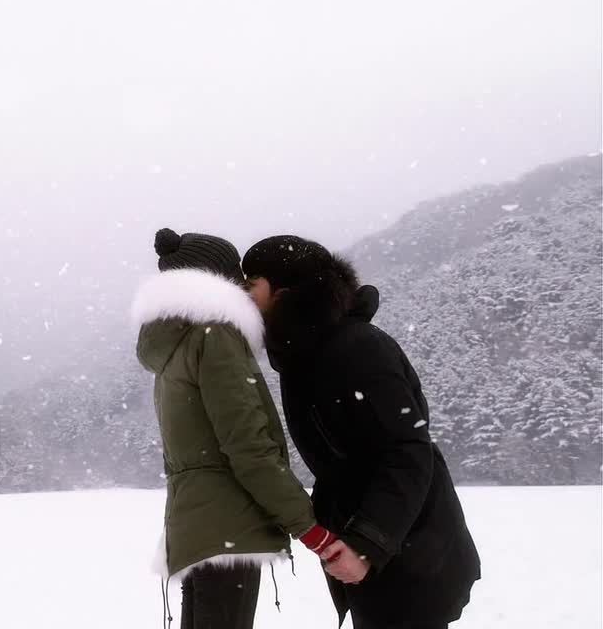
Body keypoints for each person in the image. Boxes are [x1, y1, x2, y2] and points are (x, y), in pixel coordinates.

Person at [242, 235, 481, 629]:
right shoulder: (304, 355)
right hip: (380, 547)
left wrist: (367, 545)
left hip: (411, 551)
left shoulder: (357, 348)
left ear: (283, 292)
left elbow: (407, 452)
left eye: (251, 283)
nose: (242, 295)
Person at [133, 229, 340, 629]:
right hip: (232, 523)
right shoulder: (215, 335)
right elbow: (247, 445)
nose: (246, 289)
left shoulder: (171, 347)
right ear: (221, 281)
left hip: (194, 526)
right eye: (239, 278)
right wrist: (309, 527)